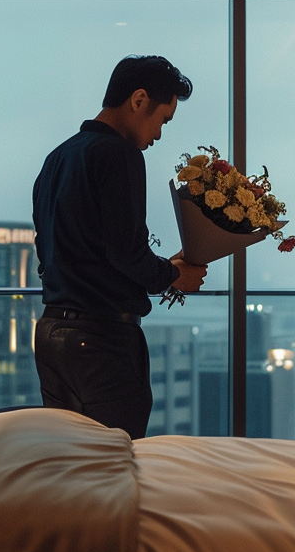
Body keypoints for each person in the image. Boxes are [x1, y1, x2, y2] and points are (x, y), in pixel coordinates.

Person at [32, 55, 207, 439]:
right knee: (113, 463)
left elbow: (57, 250)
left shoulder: (57, 158)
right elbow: (126, 253)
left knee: (67, 460)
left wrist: (162, 266)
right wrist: (176, 274)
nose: (159, 135)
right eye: (163, 119)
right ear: (139, 100)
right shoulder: (119, 155)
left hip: (50, 335)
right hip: (100, 342)